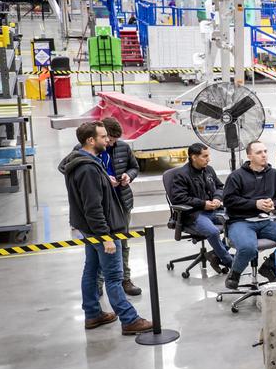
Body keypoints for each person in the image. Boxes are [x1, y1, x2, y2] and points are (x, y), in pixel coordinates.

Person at [58, 121, 153, 334]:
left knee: (91, 270)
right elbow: (93, 207)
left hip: (89, 229)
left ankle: (93, 314)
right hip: (103, 230)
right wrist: (106, 237)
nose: (107, 140)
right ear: (90, 140)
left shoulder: (83, 161)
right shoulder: (88, 168)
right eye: (102, 137)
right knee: (113, 277)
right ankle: (129, 319)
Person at [222, 140, 276, 290]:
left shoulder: (275, 175)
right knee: (248, 247)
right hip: (240, 221)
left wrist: (273, 204)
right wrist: (255, 204)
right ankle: (235, 274)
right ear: (249, 156)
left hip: (265, 220)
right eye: (259, 153)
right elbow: (228, 200)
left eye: (265, 151)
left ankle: (268, 266)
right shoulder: (236, 176)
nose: (264, 155)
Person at [164, 143, 234, 272]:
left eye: (208, 156)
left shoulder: (209, 170)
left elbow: (219, 187)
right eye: (204, 156)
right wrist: (203, 204)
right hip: (194, 215)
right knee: (213, 232)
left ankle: (215, 255)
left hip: (213, 210)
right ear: (193, 157)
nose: (208, 159)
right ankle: (228, 260)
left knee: (237, 221)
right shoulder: (181, 175)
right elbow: (179, 198)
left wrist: (217, 199)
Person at [98, 117, 142, 296]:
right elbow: (65, 167)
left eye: (115, 140)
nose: (112, 143)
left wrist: (128, 176)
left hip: (121, 202)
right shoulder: (88, 150)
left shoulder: (123, 147)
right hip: (100, 206)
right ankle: (98, 283)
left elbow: (135, 167)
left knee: (123, 243)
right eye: (110, 139)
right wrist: (103, 179)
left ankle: (125, 279)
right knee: (99, 245)